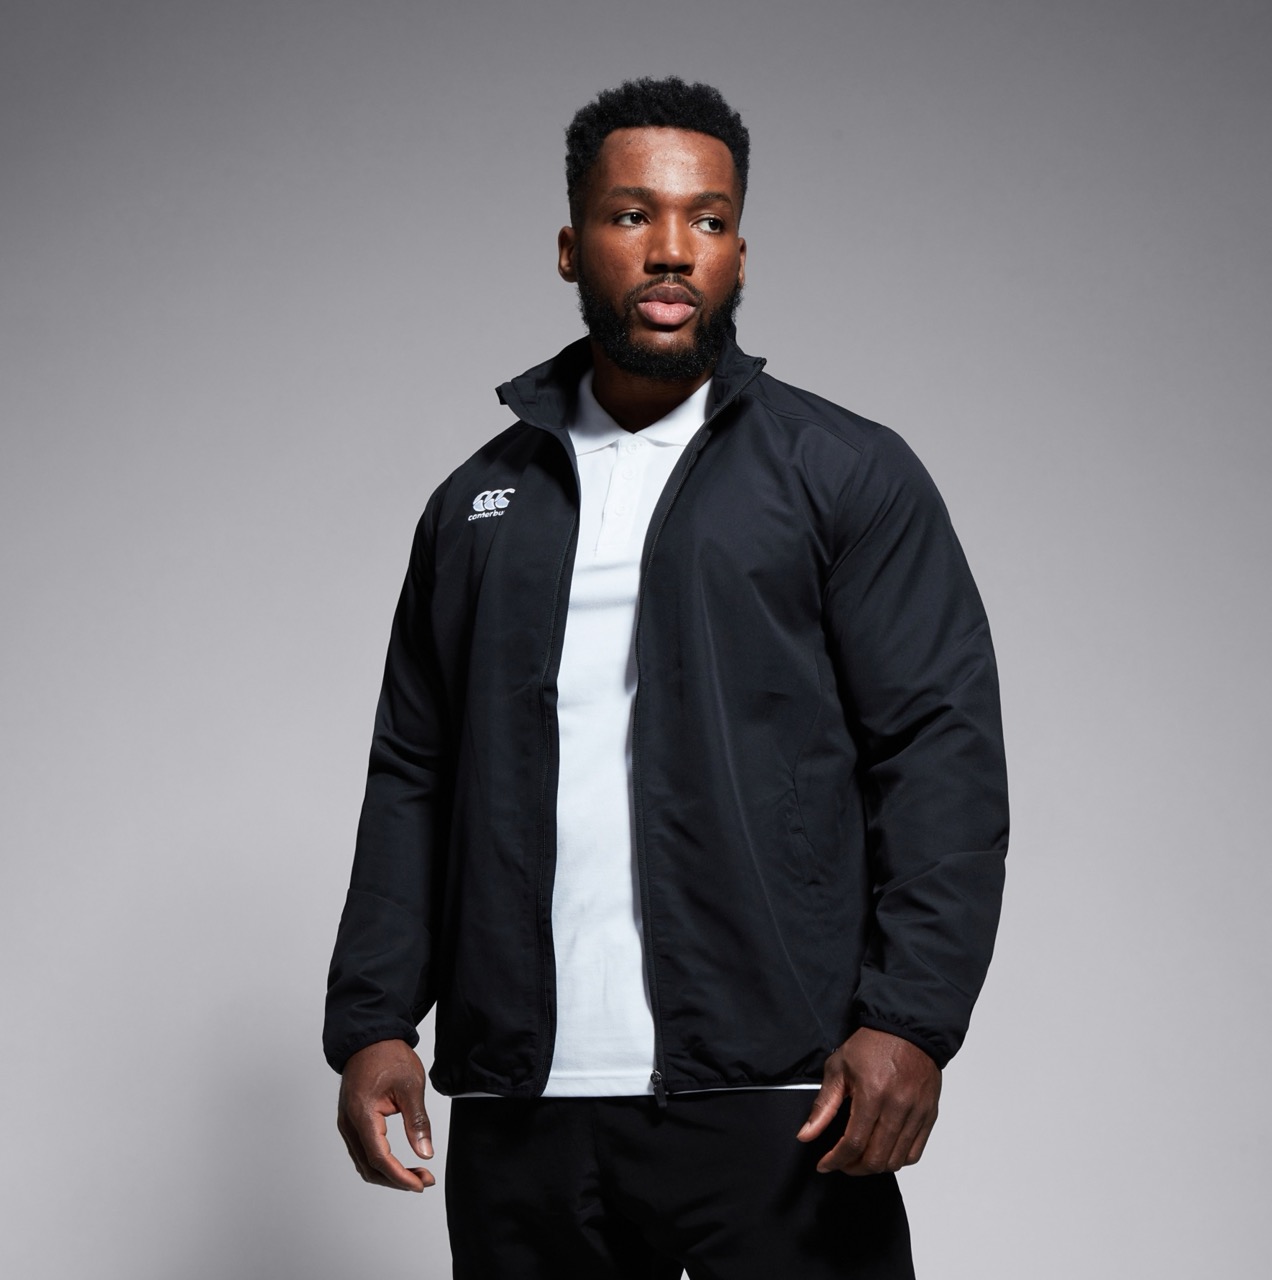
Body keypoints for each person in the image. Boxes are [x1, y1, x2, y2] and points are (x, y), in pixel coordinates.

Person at [324, 76, 1008, 1279]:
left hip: (780, 1088)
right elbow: (414, 772)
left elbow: (936, 751)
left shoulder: (841, 471)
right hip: (523, 1097)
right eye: (632, 214)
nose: (671, 249)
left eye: (707, 218)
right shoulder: (479, 503)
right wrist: (375, 1019)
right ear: (570, 245)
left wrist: (909, 1019)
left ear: (739, 250)